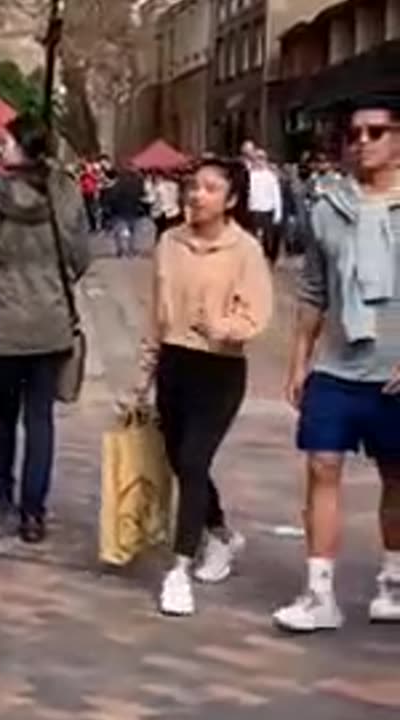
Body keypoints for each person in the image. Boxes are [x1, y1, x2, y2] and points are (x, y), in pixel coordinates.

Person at [274, 94, 400, 632]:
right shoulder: (328, 205)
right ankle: (319, 593)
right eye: (354, 134)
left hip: (393, 369)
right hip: (337, 366)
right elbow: (313, 289)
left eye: (375, 132)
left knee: (396, 477)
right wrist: (300, 361)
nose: (362, 143)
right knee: (321, 465)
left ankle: (393, 581)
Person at [127, 159, 274, 616]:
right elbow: (157, 313)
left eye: (211, 189)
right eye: (194, 186)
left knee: (193, 459)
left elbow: (258, 315)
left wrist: (221, 326)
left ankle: (179, 570)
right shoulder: (169, 242)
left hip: (220, 368)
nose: (197, 195)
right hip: (175, 363)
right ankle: (222, 535)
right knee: (181, 463)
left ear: (231, 200)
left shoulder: (245, 250)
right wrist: (141, 377)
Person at [0, 115, 90, 543]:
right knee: (40, 417)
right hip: (50, 317)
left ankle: (1, 487)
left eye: (6, 140)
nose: (1, 147)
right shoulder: (65, 193)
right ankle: (34, 510)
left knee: (4, 409)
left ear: (20, 147)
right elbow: (80, 255)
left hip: (3, 316)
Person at [246, 149, 284, 263]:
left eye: (261, 159)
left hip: (267, 210)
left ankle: (268, 257)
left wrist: (278, 213)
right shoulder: (250, 176)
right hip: (254, 210)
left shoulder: (270, 177)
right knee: (254, 236)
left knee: (268, 238)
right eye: (256, 159)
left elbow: (276, 195)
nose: (259, 162)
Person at [106, 167, 147, 258]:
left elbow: (111, 199)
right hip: (132, 210)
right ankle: (130, 250)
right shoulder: (135, 185)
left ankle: (120, 250)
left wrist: (109, 208)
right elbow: (141, 196)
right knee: (131, 231)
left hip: (118, 211)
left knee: (118, 232)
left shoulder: (116, 186)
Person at [150, 171, 184, 238]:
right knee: (174, 230)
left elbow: (154, 200)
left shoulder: (158, 187)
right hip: (174, 211)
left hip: (163, 212)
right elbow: (178, 197)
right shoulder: (175, 185)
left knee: (161, 231)